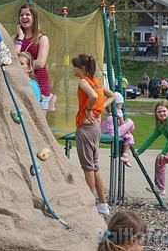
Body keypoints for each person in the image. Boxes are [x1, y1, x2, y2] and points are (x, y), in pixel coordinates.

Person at [72, 53, 116, 216]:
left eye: (75, 66)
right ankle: (102, 204)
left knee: (88, 167)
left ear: (82, 69)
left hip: (86, 128)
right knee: (94, 166)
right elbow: (112, 95)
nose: (72, 69)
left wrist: (90, 109)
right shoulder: (96, 81)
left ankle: (89, 203)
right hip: (95, 127)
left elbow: (93, 96)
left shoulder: (84, 81)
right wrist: (101, 107)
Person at [14, 3, 56, 111]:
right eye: (21, 15)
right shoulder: (15, 38)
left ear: (34, 17)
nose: (24, 17)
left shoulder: (42, 38)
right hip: (21, 85)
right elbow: (13, 58)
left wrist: (23, 65)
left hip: (39, 84)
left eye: (27, 14)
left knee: (38, 125)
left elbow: (40, 63)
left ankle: (50, 98)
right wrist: (20, 38)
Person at [100, 92, 135, 167]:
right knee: (130, 122)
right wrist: (128, 129)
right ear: (118, 104)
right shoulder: (117, 111)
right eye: (121, 104)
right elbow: (122, 124)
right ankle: (124, 154)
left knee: (129, 136)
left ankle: (124, 155)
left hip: (103, 133)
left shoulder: (105, 111)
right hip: (113, 133)